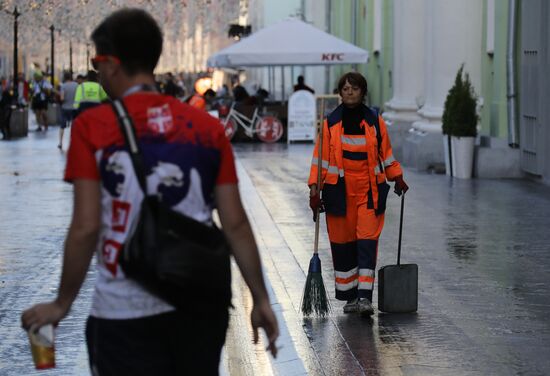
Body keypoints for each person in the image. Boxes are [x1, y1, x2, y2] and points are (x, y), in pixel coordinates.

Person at [21, 8, 278, 375]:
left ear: (110, 63)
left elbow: (85, 226)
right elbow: (234, 223)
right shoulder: (204, 127)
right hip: (199, 307)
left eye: (96, 63)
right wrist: (261, 298)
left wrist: (62, 303)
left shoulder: (92, 127)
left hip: (123, 311)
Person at [308, 72, 409, 315]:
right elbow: (319, 160)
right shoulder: (330, 124)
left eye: (354, 88)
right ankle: (350, 297)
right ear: (340, 93)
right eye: (345, 88)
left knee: (366, 241)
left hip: (369, 191)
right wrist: (314, 190)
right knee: (343, 245)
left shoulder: (375, 121)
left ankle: (365, 298)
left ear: (363, 92)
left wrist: (397, 176)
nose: (349, 92)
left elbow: (385, 154)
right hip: (338, 193)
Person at [58, 71, 78, 150]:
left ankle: (60, 143)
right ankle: (73, 142)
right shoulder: (76, 85)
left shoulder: (63, 86)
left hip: (65, 108)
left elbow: (62, 98)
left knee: (62, 126)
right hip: (74, 108)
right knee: (74, 125)